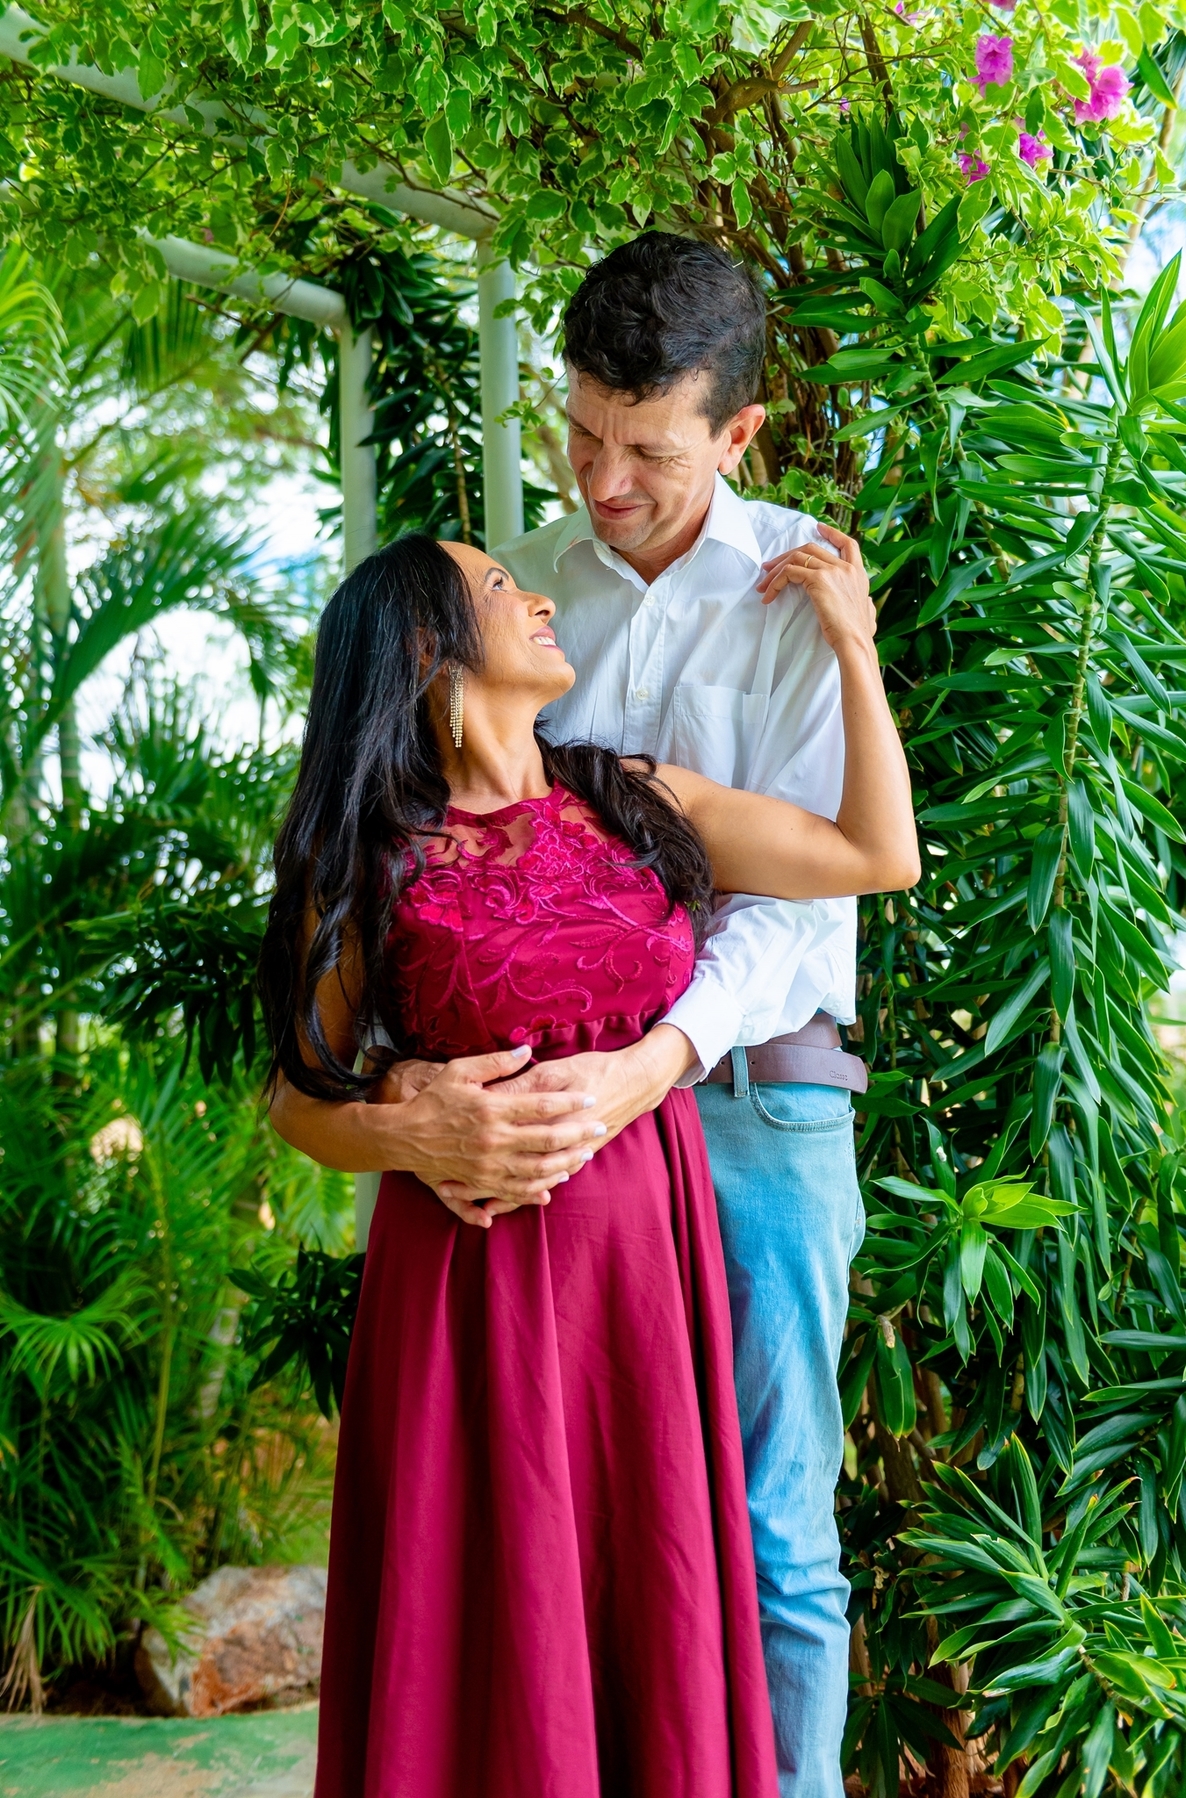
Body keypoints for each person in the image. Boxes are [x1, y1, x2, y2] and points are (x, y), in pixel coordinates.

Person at [263, 530, 916, 1798]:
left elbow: (874, 856)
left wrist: (855, 645)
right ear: (424, 647)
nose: (537, 593)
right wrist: (405, 1126)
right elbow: (299, 1095)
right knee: (494, 1615)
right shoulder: (370, 852)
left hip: (643, 1271)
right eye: (498, 588)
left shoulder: (630, 793)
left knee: (651, 1584)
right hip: (473, 1291)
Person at [495, 233, 873, 1798]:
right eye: (579, 433)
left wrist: (660, 1052)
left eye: (645, 450)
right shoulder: (521, 584)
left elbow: (811, 895)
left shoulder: (803, 593)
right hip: (571, 1111)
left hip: (760, 1105)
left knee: (777, 1530)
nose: (600, 482)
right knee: (588, 1523)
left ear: (735, 435)